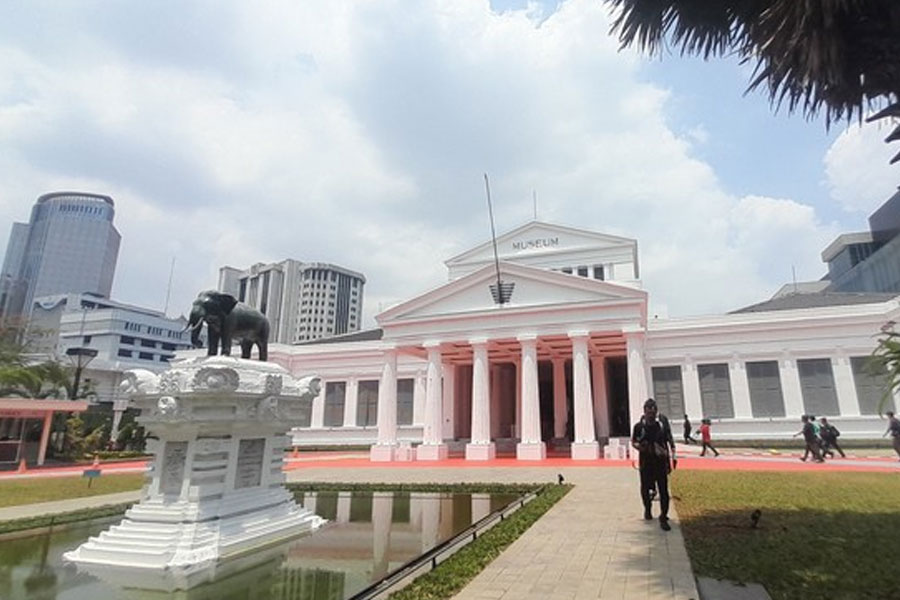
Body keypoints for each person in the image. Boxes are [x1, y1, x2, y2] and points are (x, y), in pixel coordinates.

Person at [632, 398, 676, 531]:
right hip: (646, 463)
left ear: (656, 411)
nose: (651, 414)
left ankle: (663, 516)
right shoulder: (639, 427)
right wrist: (641, 447)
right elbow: (633, 441)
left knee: (663, 490)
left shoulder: (661, 426)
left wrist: (671, 458)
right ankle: (647, 509)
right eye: (648, 411)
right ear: (644, 412)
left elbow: (669, 440)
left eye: (653, 411)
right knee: (645, 488)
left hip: (660, 463)